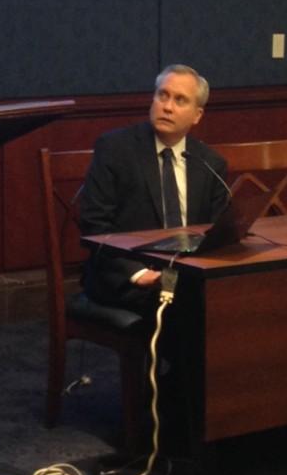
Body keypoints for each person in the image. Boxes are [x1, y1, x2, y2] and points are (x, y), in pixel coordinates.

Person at [79, 64, 229, 315]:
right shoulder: (115, 149)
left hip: (188, 274)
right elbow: (94, 224)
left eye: (180, 100)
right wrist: (138, 273)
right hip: (126, 275)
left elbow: (219, 232)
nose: (167, 107)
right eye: (163, 95)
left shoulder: (210, 163)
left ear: (197, 115)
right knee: (188, 309)